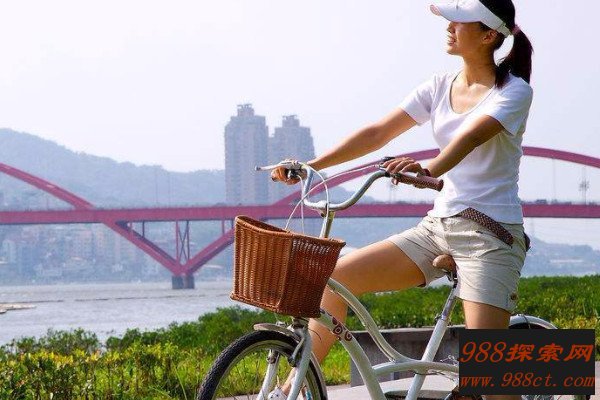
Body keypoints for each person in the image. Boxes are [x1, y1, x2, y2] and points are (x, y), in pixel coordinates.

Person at [270, 1, 533, 399]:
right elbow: (378, 133)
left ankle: (537, 374)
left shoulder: (514, 92)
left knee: (491, 380)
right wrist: (311, 165)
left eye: (460, 21)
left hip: (489, 236)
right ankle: (298, 385)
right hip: (437, 228)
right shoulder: (438, 86)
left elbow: (471, 136)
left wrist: (429, 170)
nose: (449, 27)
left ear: (489, 35)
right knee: (334, 279)